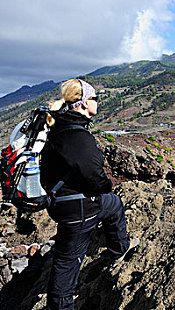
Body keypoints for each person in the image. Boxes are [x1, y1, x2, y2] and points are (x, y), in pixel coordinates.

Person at [40, 79, 136, 310]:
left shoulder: (59, 127)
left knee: (113, 204)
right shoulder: (77, 135)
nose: (97, 103)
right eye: (94, 99)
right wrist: (104, 186)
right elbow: (92, 172)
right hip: (78, 209)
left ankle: (119, 250)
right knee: (66, 266)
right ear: (83, 104)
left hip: (60, 201)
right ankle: (61, 304)